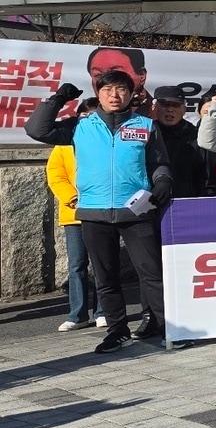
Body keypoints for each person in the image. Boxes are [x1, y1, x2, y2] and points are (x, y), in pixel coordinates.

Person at [27, 73, 172, 353]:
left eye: (121, 89)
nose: (114, 95)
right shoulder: (80, 126)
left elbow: (159, 163)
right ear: (99, 93)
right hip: (94, 212)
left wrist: (163, 180)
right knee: (106, 277)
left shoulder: (145, 125)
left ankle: (168, 327)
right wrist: (58, 99)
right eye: (108, 89)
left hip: (136, 211)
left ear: (131, 94)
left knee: (152, 272)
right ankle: (117, 330)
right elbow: (36, 129)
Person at [46, 98, 100, 331]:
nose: (89, 120)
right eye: (85, 116)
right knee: (77, 265)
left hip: (100, 212)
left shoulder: (105, 143)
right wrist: (73, 198)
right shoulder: (64, 144)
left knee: (102, 264)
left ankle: (102, 311)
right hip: (74, 214)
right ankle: (77, 314)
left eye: (94, 116)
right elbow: (56, 175)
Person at [151, 86, 216, 199]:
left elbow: (209, 179)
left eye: (176, 105)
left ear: (184, 108)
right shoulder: (146, 134)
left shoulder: (198, 136)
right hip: (151, 203)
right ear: (154, 107)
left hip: (187, 205)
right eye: (165, 105)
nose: (170, 109)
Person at [86, 46, 151, 111]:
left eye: (116, 73)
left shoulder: (155, 116)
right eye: (98, 74)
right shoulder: (85, 116)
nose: (107, 80)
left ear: (142, 75)